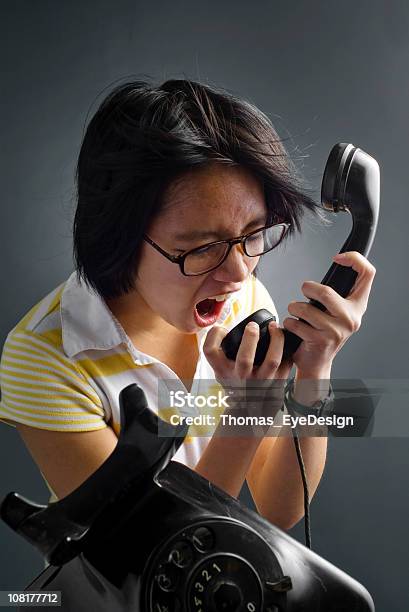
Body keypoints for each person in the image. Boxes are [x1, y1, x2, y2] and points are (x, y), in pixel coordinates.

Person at [0, 79, 375, 531]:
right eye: (201, 247)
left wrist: (316, 369)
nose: (239, 273)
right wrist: (248, 412)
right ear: (118, 236)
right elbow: (152, 547)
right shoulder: (41, 357)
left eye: (253, 235)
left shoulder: (242, 299)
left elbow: (281, 508)